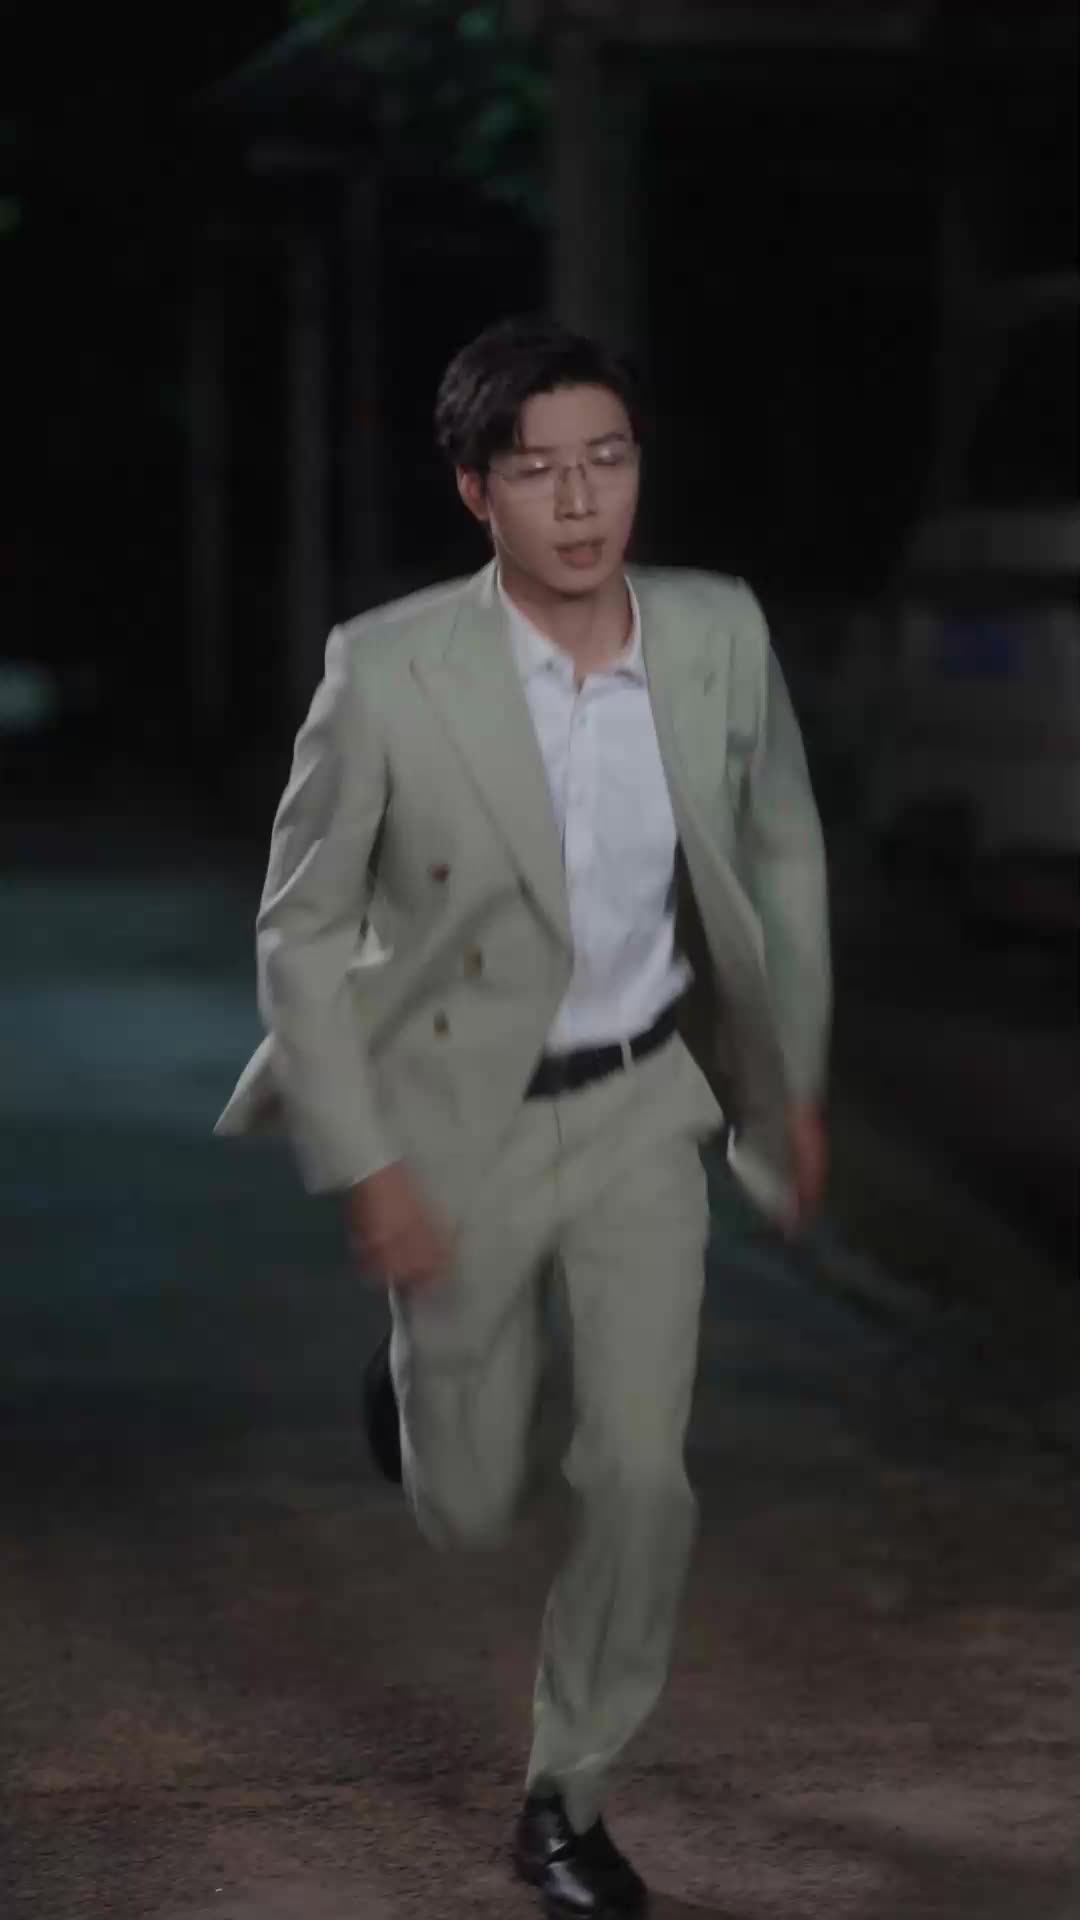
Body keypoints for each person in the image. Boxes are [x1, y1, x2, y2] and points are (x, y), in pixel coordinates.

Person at [216, 314, 831, 1917]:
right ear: (476, 490)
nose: (579, 501)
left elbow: (779, 849)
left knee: (638, 1473)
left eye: (606, 460)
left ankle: (570, 1795)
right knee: (471, 1495)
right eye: (539, 470)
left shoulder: (715, 635)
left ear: (637, 469)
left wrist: (788, 1081)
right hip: (457, 1124)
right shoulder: (387, 669)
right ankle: (419, 1385)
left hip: (641, 1107)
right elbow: (299, 930)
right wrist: (367, 1162)